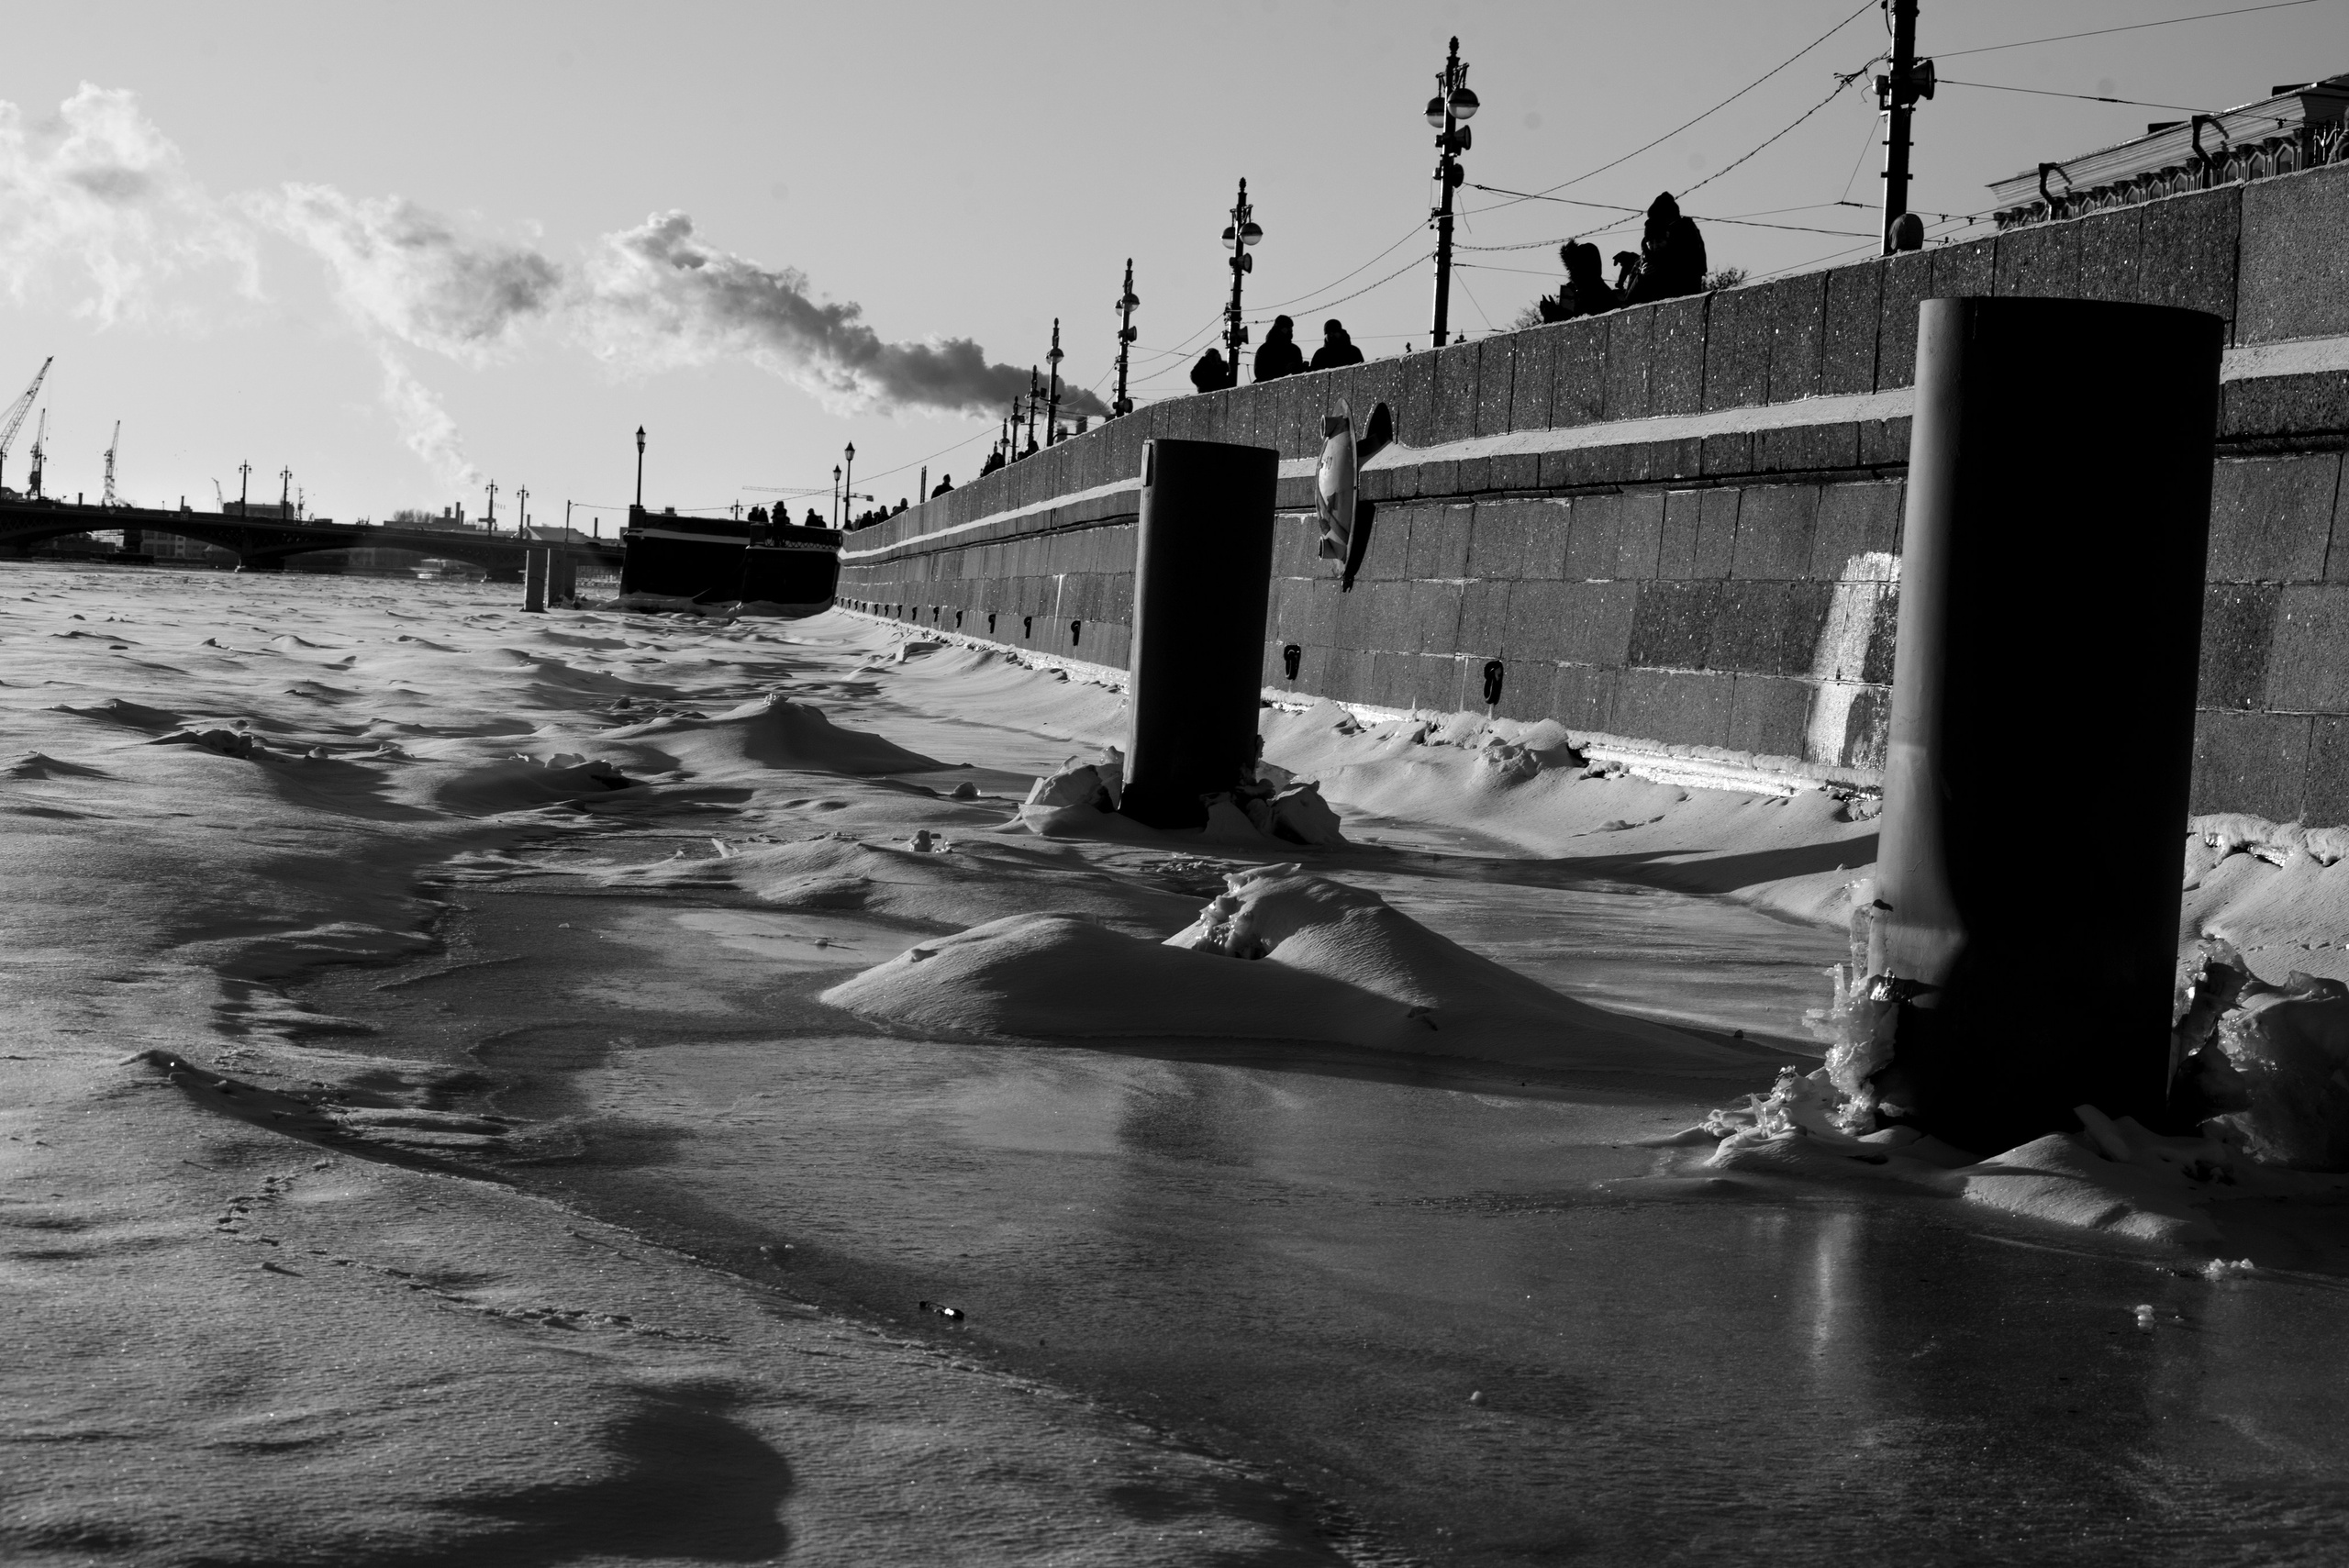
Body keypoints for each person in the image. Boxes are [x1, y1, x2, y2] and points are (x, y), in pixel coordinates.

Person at [1623, 191, 1707, 306]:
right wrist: (1641, 277)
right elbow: (1629, 300)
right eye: (1651, 242)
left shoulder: (1685, 238)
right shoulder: (1643, 261)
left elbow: (1688, 278)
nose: (1655, 246)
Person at [1539, 242, 1618, 321]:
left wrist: (1552, 313)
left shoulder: (1592, 292)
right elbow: (1579, 320)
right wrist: (1554, 312)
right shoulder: (1590, 291)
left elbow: (1581, 324)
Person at [1252, 315, 1307, 383]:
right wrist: (1284, 370)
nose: (1290, 330)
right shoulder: (1265, 349)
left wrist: (1302, 368)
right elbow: (1260, 373)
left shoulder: (1294, 349)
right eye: (1287, 328)